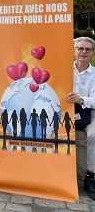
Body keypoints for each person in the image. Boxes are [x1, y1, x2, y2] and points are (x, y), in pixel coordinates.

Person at [66, 37, 95, 200]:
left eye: (87, 49)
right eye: (80, 48)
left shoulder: (94, 74)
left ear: (92, 53)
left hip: (90, 113)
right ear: (74, 51)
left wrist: (81, 99)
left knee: (94, 135)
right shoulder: (64, 69)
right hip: (66, 112)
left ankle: (91, 177)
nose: (83, 52)